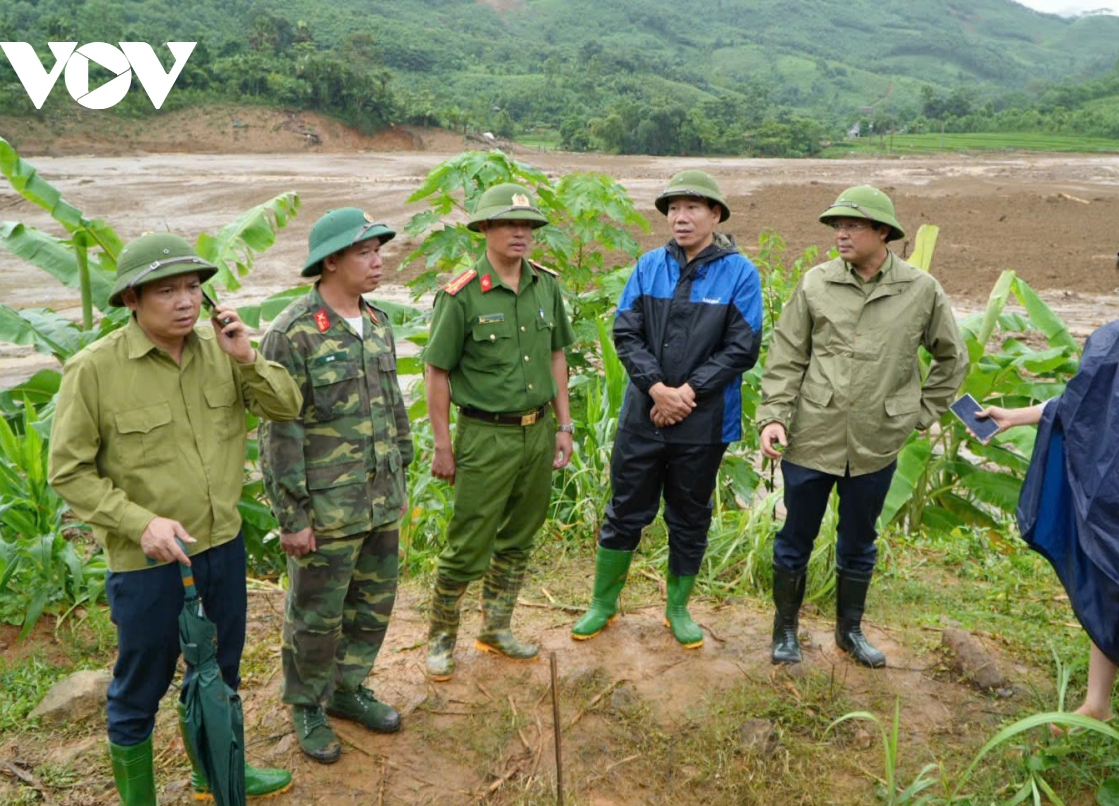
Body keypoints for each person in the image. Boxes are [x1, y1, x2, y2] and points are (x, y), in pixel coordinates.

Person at [48, 232, 301, 805]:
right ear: (132, 299)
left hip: (222, 546)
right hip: (147, 563)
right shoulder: (95, 370)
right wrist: (139, 522)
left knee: (220, 670)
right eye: (167, 291)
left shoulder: (223, 352)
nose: (186, 301)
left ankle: (214, 773)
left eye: (193, 288)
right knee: (140, 688)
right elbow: (69, 471)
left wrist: (248, 356)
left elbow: (287, 407)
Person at [756, 186, 968, 668]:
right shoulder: (816, 283)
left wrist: (919, 414)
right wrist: (772, 415)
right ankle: (785, 629)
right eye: (836, 226)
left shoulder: (920, 290)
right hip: (812, 436)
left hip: (876, 443)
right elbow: (787, 356)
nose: (840, 234)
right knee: (795, 538)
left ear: (882, 233)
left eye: (851, 225)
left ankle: (850, 630)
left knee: (859, 540)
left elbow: (952, 359)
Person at [570, 169, 763, 648]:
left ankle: (677, 607)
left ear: (715, 215)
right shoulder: (648, 265)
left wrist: (685, 395)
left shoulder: (739, 273)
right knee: (625, 510)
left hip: (704, 421)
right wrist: (657, 390)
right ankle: (603, 603)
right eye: (674, 208)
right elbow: (625, 332)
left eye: (693, 208)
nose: (681, 217)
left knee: (689, 513)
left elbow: (742, 348)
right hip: (644, 415)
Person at [979, 233, 1119, 751]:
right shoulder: (1117, 340)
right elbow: (1075, 406)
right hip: (1109, 502)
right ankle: (1096, 701)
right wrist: (1014, 415)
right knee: (1103, 592)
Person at [258, 208, 413, 763]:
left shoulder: (378, 323)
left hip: (379, 500)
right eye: (364, 252)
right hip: (326, 509)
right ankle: (306, 703)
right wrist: (292, 516)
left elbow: (394, 408)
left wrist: (403, 471)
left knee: (372, 606)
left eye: (379, 250)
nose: (378, 261)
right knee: (316, 616)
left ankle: (348, 689)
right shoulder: (291, 333)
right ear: (330, 262)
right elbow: (280, 430)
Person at [422, 182, 575, 682]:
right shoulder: (462, 295)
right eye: (509, 224)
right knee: (468, 542)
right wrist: (443, 446)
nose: (520, 233)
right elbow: (437, 372)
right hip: (485, 435)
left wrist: (564, 426)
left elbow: (557, 356)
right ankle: (441, 639)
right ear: (484, 228)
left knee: (520, 535)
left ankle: (496, 626)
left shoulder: (545, 285)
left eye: (528, 226)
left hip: (537, 431)